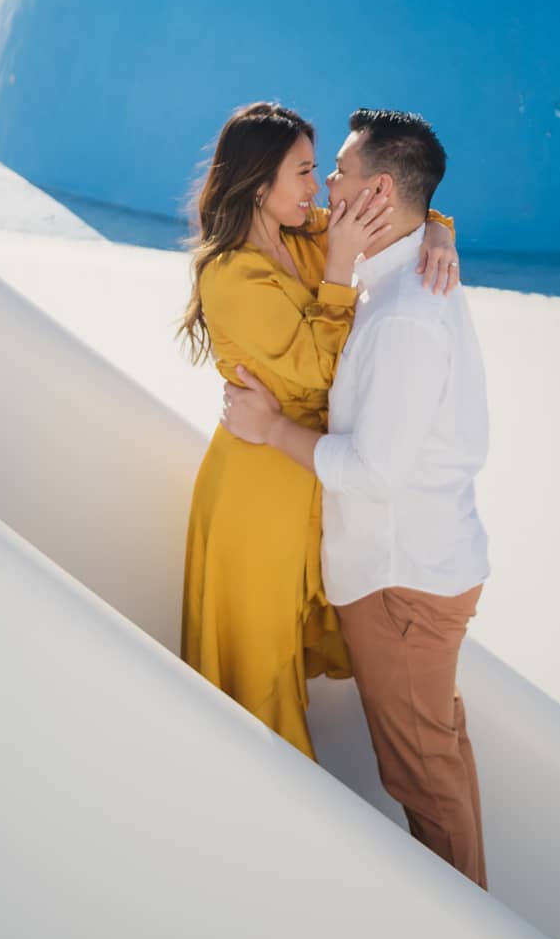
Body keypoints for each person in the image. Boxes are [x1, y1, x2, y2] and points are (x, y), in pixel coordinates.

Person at [221, 109, 491, 888]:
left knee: (425, 782)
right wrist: (437, 222)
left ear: (375, 190)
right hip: (415, 569)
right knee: (436, 761)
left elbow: (373, 472)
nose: (328, 184)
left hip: (401, 582)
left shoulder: (406, 313)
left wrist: (272, 431)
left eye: (337, 170)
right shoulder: (397, 277)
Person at [177, 101, 460, 761]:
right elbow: (314, 375)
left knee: (293, 659)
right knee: (260, 678)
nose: (317, 188)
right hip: (257, 492)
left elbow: (402, 209)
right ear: (257, 181)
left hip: (305, 474)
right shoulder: (231, 274)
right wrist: (339, 271)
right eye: (305, 172)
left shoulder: (305, 232)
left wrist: (440, 233)